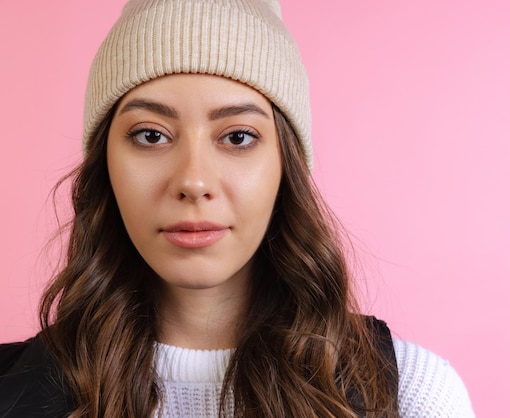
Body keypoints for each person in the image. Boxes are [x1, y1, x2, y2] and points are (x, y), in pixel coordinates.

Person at [0, 0, 475, 417]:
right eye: (150, 135)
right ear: (105, 164)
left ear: (284, 166)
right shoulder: (11, 392)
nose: (193, 181)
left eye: (238, 137)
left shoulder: (411, 393)